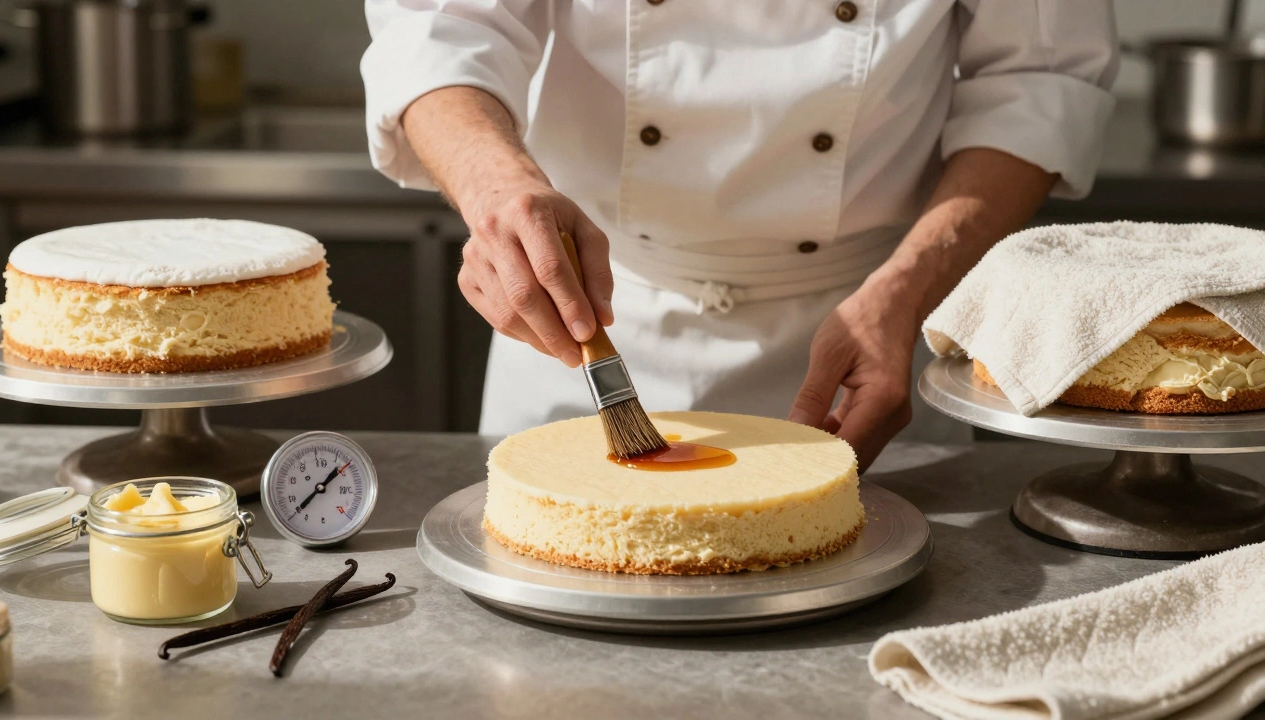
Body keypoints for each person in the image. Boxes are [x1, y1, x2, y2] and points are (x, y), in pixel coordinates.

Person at [362, 1, 1117, 469]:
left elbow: (1038, 81)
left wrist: (908, 292)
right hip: (585, 307)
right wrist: (497, 186)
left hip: (867, 342)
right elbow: (437, 26)